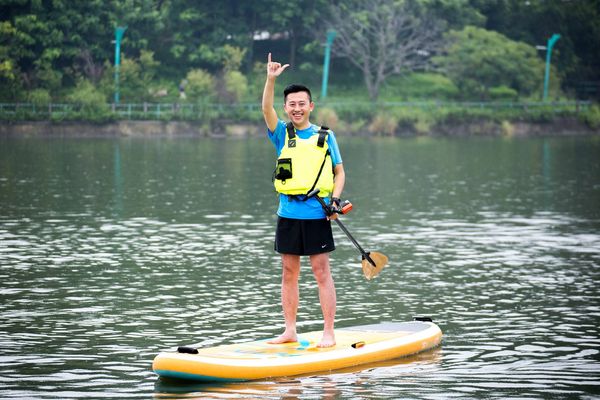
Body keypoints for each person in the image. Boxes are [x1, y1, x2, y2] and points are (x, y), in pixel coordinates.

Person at [261, 52, 346, 348]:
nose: (296, 109)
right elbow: (265, 109)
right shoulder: (282, 134)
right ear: (286, 107)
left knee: (322, 272)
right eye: (291, 105)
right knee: (288, 272)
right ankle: (290, 330)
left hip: (317, 214)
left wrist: (335, 202)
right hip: (288, 213)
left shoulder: (325, 136)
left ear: (310, 106)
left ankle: (328, 332)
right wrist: (271, 79)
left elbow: (340, 172)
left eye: (301, 104)